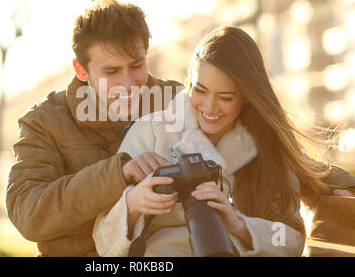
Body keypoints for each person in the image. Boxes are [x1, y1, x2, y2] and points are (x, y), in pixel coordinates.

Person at [93, 26, 355, 257]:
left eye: (225, 97)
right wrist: (133, 205)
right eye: (200, 90)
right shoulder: (150, 133)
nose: (209, 107)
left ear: (246, 97)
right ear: (189, 82)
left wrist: (239, 225)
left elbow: (291, 239)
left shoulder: (265, 148)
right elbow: (103, 241)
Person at [4, 0, 184, 256]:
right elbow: (29, 213)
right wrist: (118, 174)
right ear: (81, 70)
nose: (128, 84)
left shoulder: (179, 102)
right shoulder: (44, 121)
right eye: (111, 72)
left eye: (136, 65)